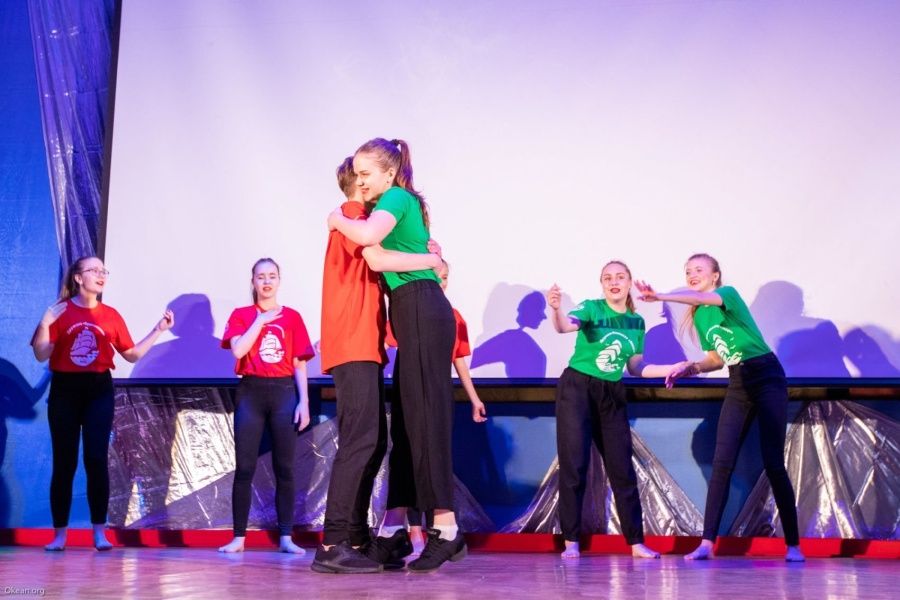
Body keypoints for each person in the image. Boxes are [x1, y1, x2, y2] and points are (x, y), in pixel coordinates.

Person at [327, 138, 464, 573]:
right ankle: (392, 528)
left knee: (426, 418)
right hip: (411, 312)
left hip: (422, 306)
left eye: (367, 173)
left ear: (389, 173)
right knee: (406, 422)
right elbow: (383, 253)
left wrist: (335, 218)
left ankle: (447, 528)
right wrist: (431, 258)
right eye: (357, 174)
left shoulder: (397, 197)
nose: (361, 180)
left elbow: (371, 249)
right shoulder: (391, 205)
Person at [635, 253, 805, 562]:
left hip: (767, 376)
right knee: (721, 462)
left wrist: (659, 296)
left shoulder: (727, 295)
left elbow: (701, 297)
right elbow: (716, 358)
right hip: (738, 381)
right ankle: (706, 543)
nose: (692, 274)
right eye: (688, 271)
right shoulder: (700, 317)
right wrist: (691, 367)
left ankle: (793, 545)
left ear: (715, 276)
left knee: (773, 463)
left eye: (699, 270)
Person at [31, 256, 174, 551]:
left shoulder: (110, 315)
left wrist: (158, 329)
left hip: (98, 390)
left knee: (96, 459)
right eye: (93, 270)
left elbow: (131, 354)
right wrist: (45, 324)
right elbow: (41, 354)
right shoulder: (60, 311)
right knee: (65, 462)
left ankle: (99, 533)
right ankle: (59, 536)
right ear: (78, 278)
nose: (101, 275)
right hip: (65, 391)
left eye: (103, 271)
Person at [547, 260, 688, 559]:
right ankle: (571, 541)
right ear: (602, 284)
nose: (614, 282)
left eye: (620, 277)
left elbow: (636, 367)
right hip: (578, 388)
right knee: (574, 467)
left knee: (622, 470)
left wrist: (671, 368)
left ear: (628, 283)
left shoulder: (636, 322)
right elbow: (564, 327)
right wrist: (556, 310)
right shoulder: (591, 308)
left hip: (611, 393)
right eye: (608, 278)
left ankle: (636, 542)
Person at [218, 258, 314, 554]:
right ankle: (238, 537)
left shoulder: (292, 317)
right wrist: (260, 321)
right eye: (261, 277)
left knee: (284, 467)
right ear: (253, 282)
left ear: (279, 281)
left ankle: (286, 537)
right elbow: (238, 350)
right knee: (245, 467)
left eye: (272, 276)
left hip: (284, 392)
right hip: (251, 392)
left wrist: (304, 402)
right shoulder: (242, 315)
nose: (267, 281)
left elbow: (299, 364)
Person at [391, 259, 487, 555]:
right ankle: (413, 531)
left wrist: (474, 398)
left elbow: (459, 360)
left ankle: (439, 530)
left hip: (438, 389)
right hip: (411, 385)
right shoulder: (411, 309)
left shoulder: (452, 316)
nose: (440, 282)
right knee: (409, 452)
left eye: (444, 277)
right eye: (436, 275)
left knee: (432, 454)